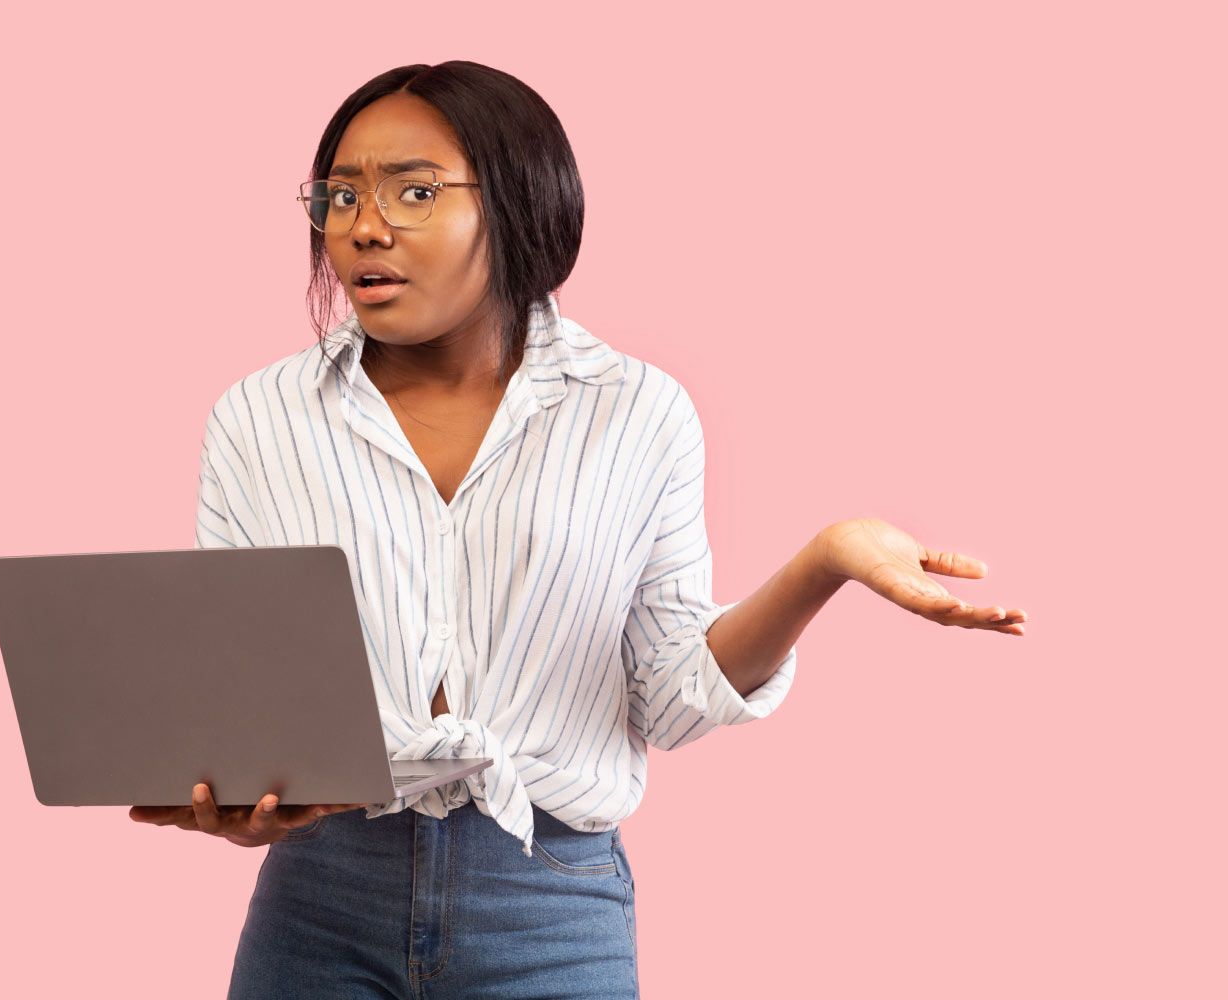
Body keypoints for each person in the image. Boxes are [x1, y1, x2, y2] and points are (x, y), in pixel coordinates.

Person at [128, 60, 1029, 999]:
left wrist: (822, 564)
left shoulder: (640, 413)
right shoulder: (257, 419)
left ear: (518, 205)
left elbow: (669, 700)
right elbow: (243, 698)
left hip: (549, 902)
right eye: (341, 194)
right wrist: (238, 793)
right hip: (320, 900)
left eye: (416, 191)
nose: (363, 225)